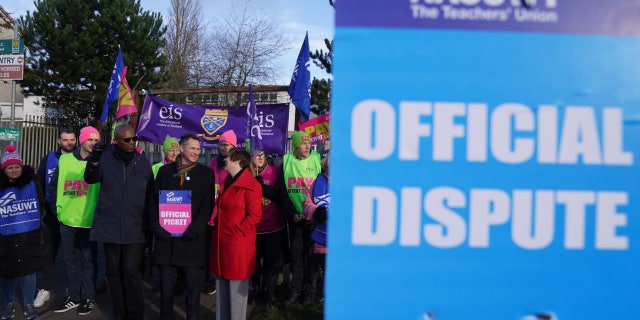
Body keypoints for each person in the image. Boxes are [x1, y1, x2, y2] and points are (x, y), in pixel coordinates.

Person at [84, 124, 154, 320]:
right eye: (127, 139)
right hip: (110, 225)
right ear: (116, 140)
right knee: (113, 273)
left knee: (131, 271)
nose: (132, 143)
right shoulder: (104, 158)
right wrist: (94, 159)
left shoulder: (143, 162)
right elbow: (90, 178)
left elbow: (150, 195)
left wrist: (150, 226)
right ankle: (119, 313)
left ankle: (135, 314)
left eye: (134, 139)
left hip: (135, 227)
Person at [150, 133, 214, 320]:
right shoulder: (164, 171)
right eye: (192, 148)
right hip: (166, 240)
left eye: (198, 148)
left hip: (191, 240)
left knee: (193, 287)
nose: (196, 152)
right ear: (181, 148)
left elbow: (207, 205)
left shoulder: (205, 173)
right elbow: (153, 202)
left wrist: (196, 229)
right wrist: (156, 226)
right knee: (166, 288)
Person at [50, 126, 101, 316]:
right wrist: (56, 209)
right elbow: (54, 185)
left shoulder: (99, 161)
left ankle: (88, 297)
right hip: (68, 219)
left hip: (89, 220)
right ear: (82, 140)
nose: (93, 143)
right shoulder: (64, 159)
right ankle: (74, 296)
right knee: (70, 261)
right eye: (90, 139)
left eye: (96, 140)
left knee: (88, 261)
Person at [209, 148, 262, 320]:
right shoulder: (227, 181)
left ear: (237, 161)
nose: (225, 159)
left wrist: (237, 233)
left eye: (228, 158)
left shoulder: (252, 185)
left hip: (237, 245)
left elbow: (255, 216)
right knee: (222, 287)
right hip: (222, 243)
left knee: (236, 291)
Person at [0, 145, 45, 320]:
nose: (14, 170)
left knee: (29, 270)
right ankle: (8, 303)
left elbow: (40, 202)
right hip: (5, 234)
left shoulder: (31, 182)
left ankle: (28, 304)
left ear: (21, 167)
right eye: (10, 167)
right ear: (4, 169)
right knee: (6, 270)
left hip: (29, 232)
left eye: (17, 167)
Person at [34, 127, 76, 308]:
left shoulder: (80, 159)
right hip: (51, 215)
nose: (69, 143)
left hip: (73, 214)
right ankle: (44, 289)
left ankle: (72, 289)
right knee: (48, 252)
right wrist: (44, 208)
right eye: (65, 140)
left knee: (73, 254)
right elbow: (39, 183)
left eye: (72, 140)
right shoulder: (48, 159)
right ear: (59, 141)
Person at [282, 131, 321, 305]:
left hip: (313, 219)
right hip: (296, 218)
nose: (307, 146)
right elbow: (282, 192)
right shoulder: (285, 161)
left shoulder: (317, 159)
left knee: (312, 256)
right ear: (295, 145)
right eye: (303, 143)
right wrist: (292, 213)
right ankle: (295, 289)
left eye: (309, 143)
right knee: (296, 255)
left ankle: (309, 291)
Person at [249, 149, 287, 304]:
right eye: (256, 155)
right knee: (254, 263)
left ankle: (269, 291)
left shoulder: (275, 171)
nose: (259, 158)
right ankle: (256, 289)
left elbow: (279, 195)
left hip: (273, 226)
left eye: (262, 155)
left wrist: (262, 186)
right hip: (254, 229)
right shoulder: (246, 173)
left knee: (271, 263)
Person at [204, 129, 237, 295]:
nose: (222, 147)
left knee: (227, 251)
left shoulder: (236, 165)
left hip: (228, 216)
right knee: (212, 251)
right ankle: (212, 280)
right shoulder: (212, 164)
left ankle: (226, 279)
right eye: (221, 144)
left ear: (234, 146)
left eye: (226, 144)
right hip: (213, 216)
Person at [302, 152, 329, 303]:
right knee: (313, 269)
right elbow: (306, 203)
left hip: (341, 240)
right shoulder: (318, 181)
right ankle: (309, 295)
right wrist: (316, 211)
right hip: (319, 236)